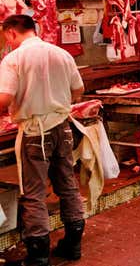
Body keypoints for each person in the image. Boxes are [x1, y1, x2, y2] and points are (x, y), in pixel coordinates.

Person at [0, 15, 86, 265]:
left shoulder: (13, 59)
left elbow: (4, 98)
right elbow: (78, 91)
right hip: (62, 127)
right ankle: (73, 245)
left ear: (11, 33)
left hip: (35, 133)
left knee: (34, 193)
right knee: (67, 185)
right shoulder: (61, 54)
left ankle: (38, 256)